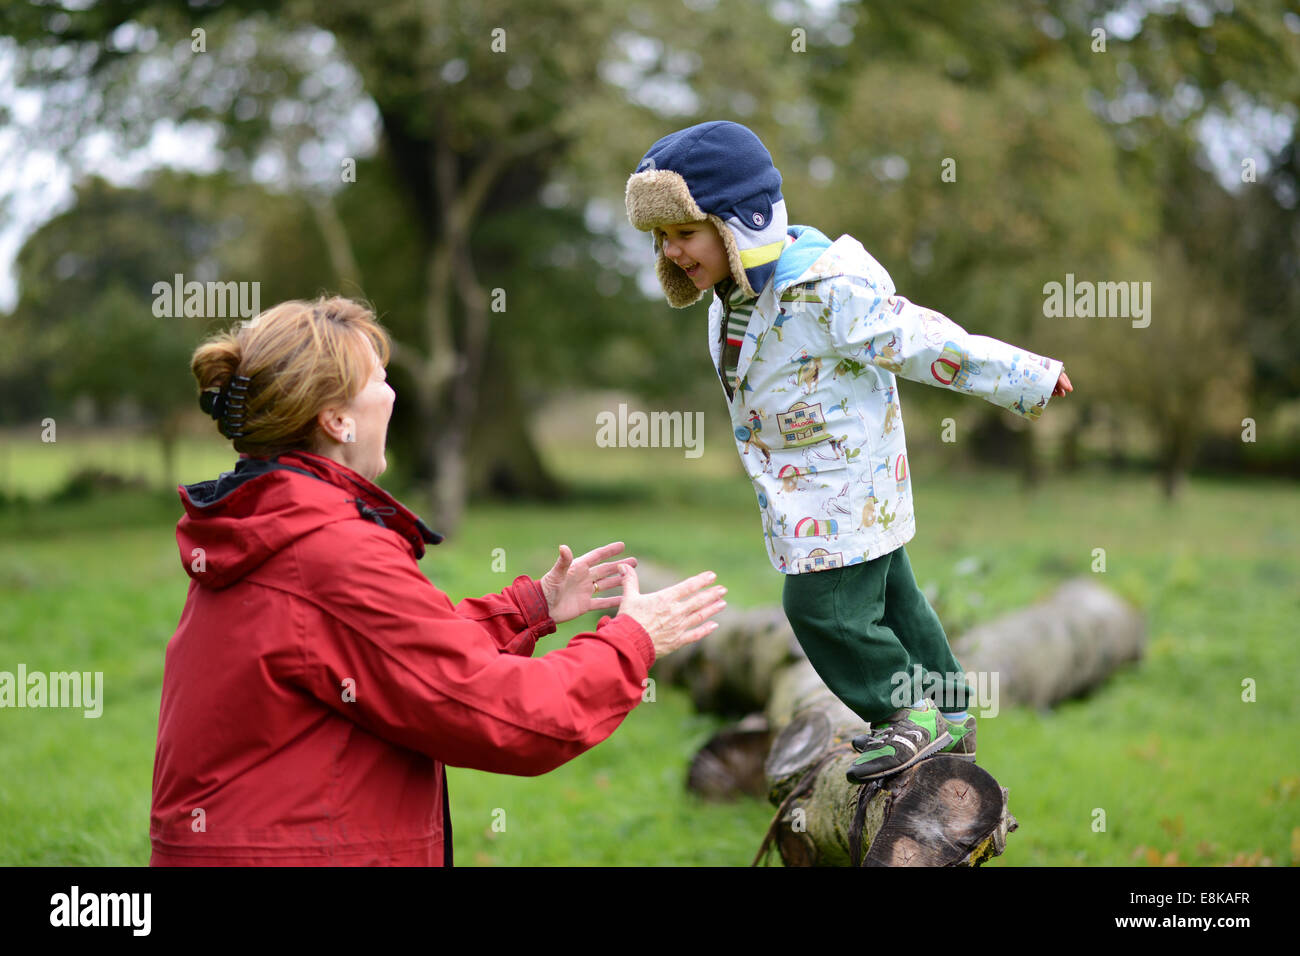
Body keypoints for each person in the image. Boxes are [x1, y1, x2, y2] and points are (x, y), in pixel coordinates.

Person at [150, 296, 726, 865]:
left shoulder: (269, 520)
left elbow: (380, 650)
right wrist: (632, 640)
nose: (393, 393)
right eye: (379, 379)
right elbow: (510, 716)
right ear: (335, 419)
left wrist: (529, 608)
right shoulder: (326, 548)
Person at [625, 121, 1074, 783]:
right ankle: (949, 713)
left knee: (819, 609)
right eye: (661, 239)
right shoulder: (736, 297)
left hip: (842, 491)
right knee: (895, 602)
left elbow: (919, 339)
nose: (672, 252)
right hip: (818, 492)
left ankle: (903, 719)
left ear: (739, 223)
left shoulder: (827, 291)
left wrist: (1023, 374)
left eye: (684, 234)